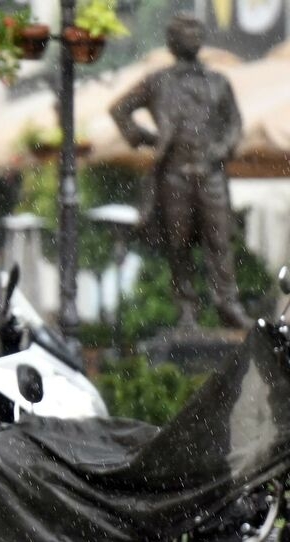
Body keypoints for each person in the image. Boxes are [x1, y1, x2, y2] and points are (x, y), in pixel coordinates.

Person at [108, 13, 249, 329]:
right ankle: (186, 310)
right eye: (186, 32)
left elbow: (235, 125)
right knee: (179, 244)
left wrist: (222, 148)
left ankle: (228, 305)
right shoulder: (158, 80)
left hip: (210, 173)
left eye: (198, 31)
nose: (194, 36)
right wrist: (147, 139)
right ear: (172, 41)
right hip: (174, 176)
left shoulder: (218, 82)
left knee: (219, 241)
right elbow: (119, 110)